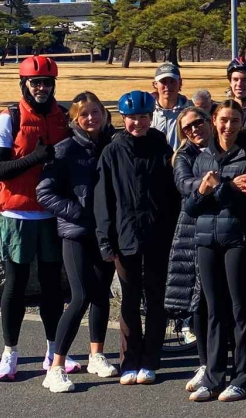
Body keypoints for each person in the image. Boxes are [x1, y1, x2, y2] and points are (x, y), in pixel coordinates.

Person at [0, 55, 70, 382]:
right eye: (35, 82)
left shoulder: (63, 116)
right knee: (16, 285)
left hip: (52, 213)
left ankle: (53, 351)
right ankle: (10, 353)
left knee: (53, 287)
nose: (41, 88)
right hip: (17, 213)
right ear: (24, 84)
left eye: (47, 83)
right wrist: (33, 158)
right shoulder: (8, 118)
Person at [36, 92, 121, 392]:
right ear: (75, 118)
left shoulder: (113, 145)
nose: (91, 118)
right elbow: (44, 193)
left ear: (105, 114)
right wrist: (79, 214)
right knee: (81, 296)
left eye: (96, 112)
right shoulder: (65, 149)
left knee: (101, 296)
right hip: (76, 233)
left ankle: (97, 354)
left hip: (106, 233)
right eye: (84, 114)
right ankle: (55, 366)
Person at [94, 91, 180, 386]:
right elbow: (103, 200)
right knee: (129, 300)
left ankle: (150, 360)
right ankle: (129, 360)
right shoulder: (112, 151)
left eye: (144, 117)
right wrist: (105, 240)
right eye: (132, 118)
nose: (138, 123)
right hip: (124, 236)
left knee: (157, 299)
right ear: (123, 119)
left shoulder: (161, 146)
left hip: (158, 234)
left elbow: (172, 194)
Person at [182, 101, 246, 402]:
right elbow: (191, 207)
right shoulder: (201, 157)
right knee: (214, 311)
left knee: (241, 310)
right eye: (223, 120)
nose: (229, 126)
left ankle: (244, 378)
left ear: (242, 123)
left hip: (237, 240)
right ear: (213, 121)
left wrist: (217, 187)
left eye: (235, 120)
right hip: (206, 241)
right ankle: (214, 376)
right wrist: (214, 189)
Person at [167, 107, 216, 392]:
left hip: (226, 230)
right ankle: (203, 362)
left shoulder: (224, 145)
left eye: (198, 122)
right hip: (193, 230)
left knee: (223, 298)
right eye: (187, 128)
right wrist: (210, 184)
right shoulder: (184, 156)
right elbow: (184, 184)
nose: (195, 129)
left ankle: (221, 359)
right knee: (200, 298)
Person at [150, 62, 192, 151]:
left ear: (180, 82)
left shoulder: (190, 112)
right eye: (163, 82)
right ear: (155, 84)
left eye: (172, 81)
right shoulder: (147, 111)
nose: (168, 86)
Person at [226, 56, 246, 127]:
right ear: (230, 82)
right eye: (235, 79)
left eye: (245, 80)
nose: (239, 84)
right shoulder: (223, 112)